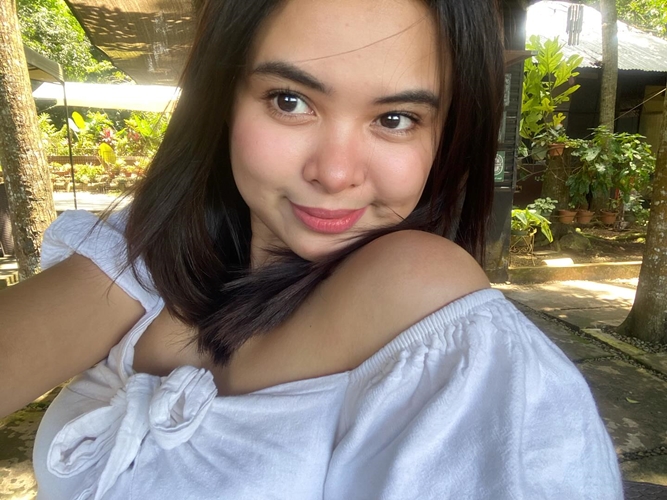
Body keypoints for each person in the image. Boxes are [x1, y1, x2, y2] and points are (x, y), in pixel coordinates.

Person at [0, 0, 622, 498]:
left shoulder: (424, 300)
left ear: (446, 136)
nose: (334, 173)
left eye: (395, 118)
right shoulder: (143, 254)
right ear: (223, 101)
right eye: (290, 101)